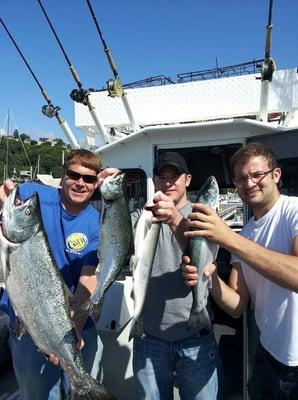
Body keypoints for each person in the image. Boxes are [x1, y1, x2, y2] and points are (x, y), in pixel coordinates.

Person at [183, 143, 298, 399]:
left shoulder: (294, 212)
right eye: (241, 178)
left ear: (275, 175)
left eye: (257, 175)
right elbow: (236, 304)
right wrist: (209, 276)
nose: (249, 183)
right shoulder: (245, 234)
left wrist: (228, 238)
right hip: (267, 357)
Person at [0, 149, 117, 400]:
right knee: (38, 396)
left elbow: (89, 276)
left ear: (96, 183)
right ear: (63, 175)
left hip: (76, 320)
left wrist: (68, 331)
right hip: (26, 324)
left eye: (88, 179)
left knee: (82, 383)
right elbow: (8, 195)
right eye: (74, 175)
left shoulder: (97, 222)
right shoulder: (35, 195)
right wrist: (4, 193)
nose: (80, 183)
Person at [132, 151, 221, 400]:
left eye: (175, 176)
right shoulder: (142, 217)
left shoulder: (203, 216)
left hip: (195, 338)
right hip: (149, 335)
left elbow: (202, 254)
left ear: (188, 179)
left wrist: (173, 218)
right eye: (163, 176)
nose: (169, 182)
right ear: (155, 181)